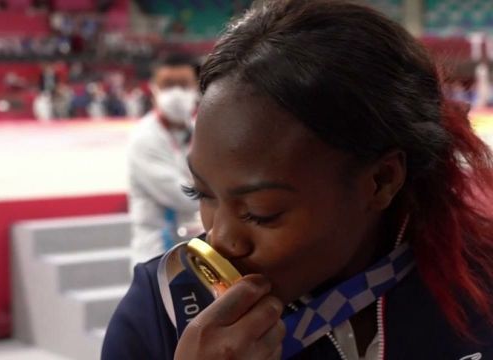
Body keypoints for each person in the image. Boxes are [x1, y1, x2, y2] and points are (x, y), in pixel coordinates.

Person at [102, 1, 493, 359]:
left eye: (260, 212)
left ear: (381, 180)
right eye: (202, 194)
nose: (219, 239)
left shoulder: (479, 288)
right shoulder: (159, 314)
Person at [127, 53, 202, 266]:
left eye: (184, 84)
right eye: (168, 85)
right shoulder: (144, 138)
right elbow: (183, 196)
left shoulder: (201, 130)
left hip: (197, 249)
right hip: (156, 251)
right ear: (154, 88)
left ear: (196, 88)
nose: (177, 92)